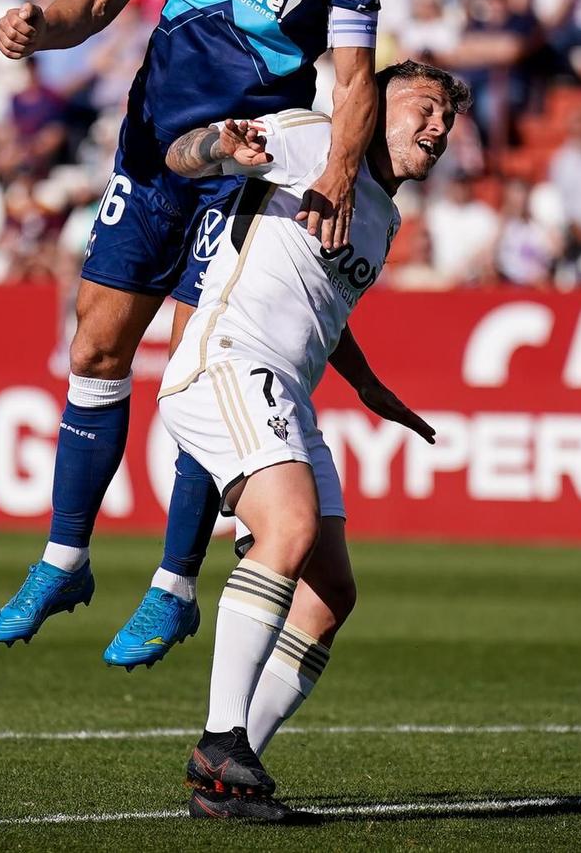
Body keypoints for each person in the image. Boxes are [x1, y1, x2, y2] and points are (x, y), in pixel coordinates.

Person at [0, 0, 389, 669]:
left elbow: (357, 79)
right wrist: (38, 27)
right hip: (150, 152)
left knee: (202, 371)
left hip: (244, 171)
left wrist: (331, 174)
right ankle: (65, 559)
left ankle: (172, 587)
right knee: (96, 344)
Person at [156, 61, 463, 822]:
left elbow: (324, 300)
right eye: (424, 107)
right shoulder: (313, 139)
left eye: (448, 121)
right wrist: (218, 143)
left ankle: (226, 779)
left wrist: (364, 382)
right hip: (226, 359)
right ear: (372, 103)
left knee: (331, 595)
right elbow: (183, 153)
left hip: (286, 388)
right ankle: (219, 736)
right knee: (289, 528)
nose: (439, 126)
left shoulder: (383, 215)